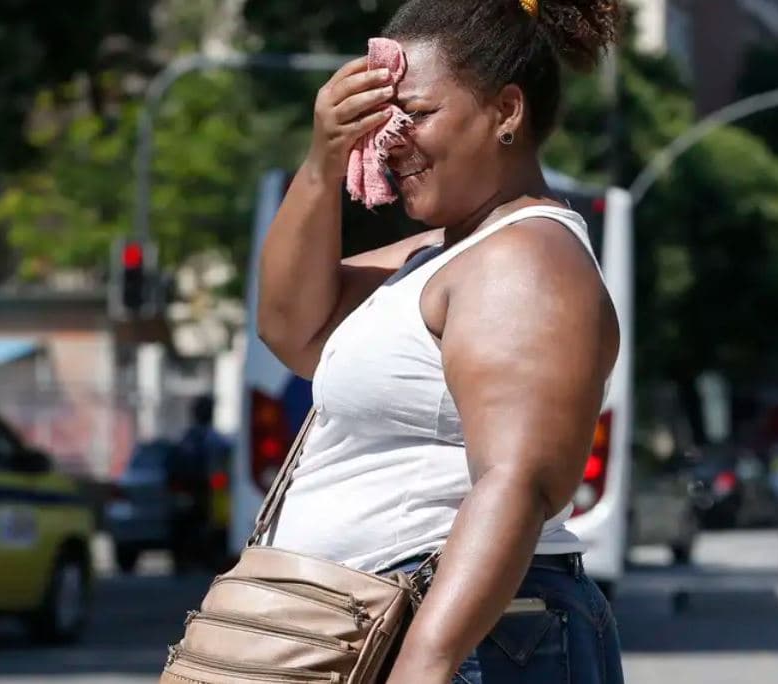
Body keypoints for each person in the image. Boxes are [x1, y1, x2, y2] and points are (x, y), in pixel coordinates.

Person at [256, 1, 624, 682]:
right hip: (380, 624)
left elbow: (517, 481)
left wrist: (422, 663)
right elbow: (291, 328)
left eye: (415, 114)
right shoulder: (437, 256)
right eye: (379, 120)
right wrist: (322, 162)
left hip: (469, 643)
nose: (389, 141)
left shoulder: (524, 261)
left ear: (505, 111)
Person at [167, 396, 231, 570]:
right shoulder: (212, 440)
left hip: (205, 491)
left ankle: (196, 559)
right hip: (203, 491)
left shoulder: (188, 439)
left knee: (206, 527)